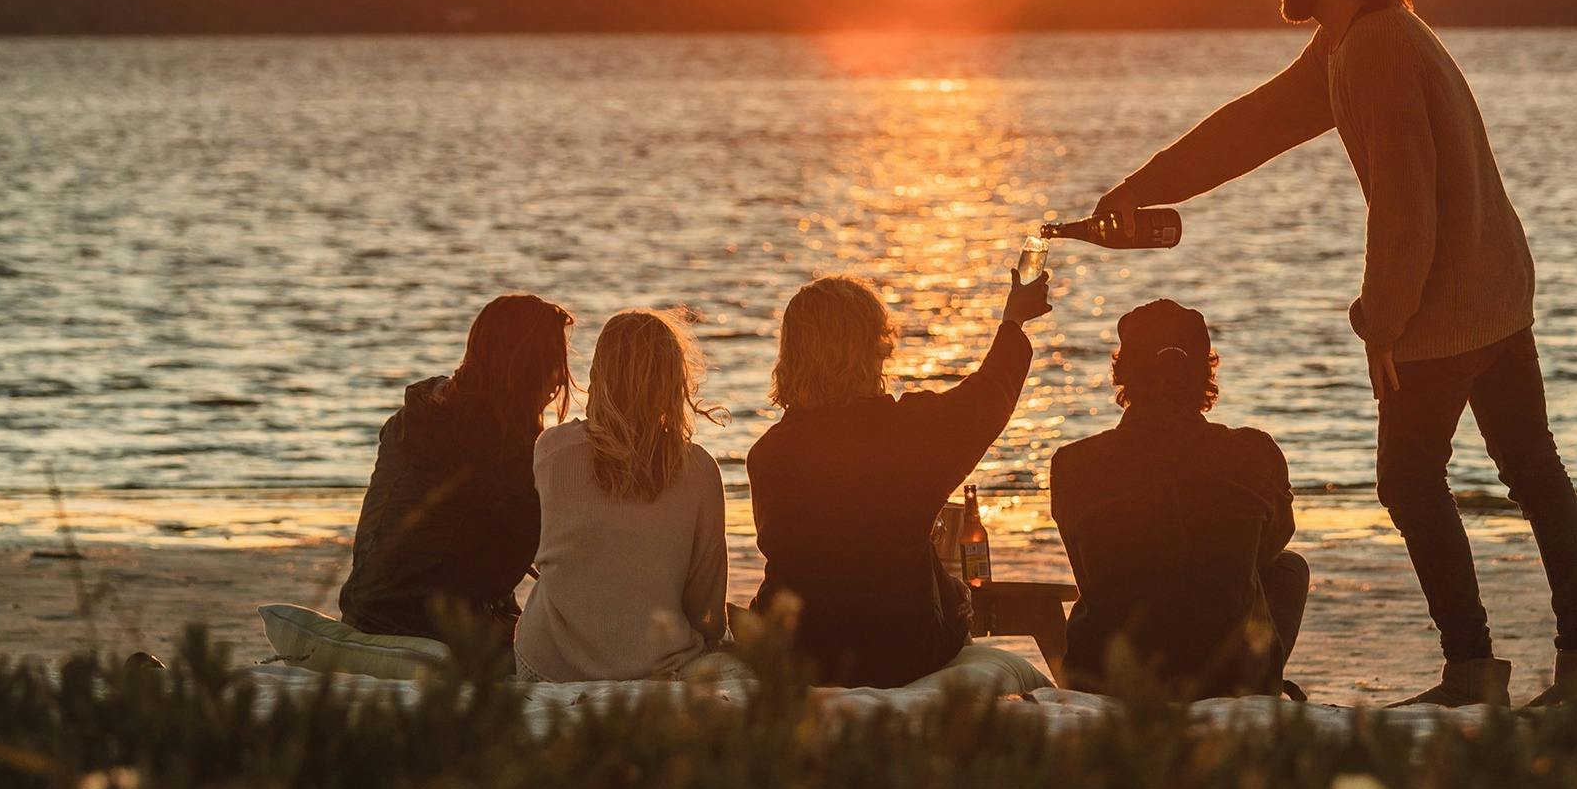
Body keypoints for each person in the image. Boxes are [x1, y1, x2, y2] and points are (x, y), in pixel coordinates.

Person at [1091, 0, 1577, 708]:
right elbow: (1248, 129)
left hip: (1444, 311)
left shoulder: (1375, 52)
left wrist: (1382, 322)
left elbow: (1406, 205)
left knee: (1410, 482)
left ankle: (1473, 671)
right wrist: (1141, 188)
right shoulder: (1354, 42)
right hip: (1498, 291)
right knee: (1532, 469)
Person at [747, 264, 1052, 688]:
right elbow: (989, 395)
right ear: (874, 350)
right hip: (903, 650)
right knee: (953, 594)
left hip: (801, 651)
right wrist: (1013, 322)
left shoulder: (768, 454)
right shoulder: (910, 433)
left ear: (792, 355)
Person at [1050, 298, 1309, 699]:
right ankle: (1257, 685)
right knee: (1287, 569)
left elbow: (1088, 572)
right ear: (1205, 373)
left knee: (1114, 581)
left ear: (1123, 373)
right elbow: (1272, 542)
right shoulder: (1253, 453)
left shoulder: (1072, 465)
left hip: (1103, 677)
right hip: (1228, 679)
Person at [338, 292, 573, 649]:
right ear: (526, 368)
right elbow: (552, 537)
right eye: (553, 364)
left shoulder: (420, 417)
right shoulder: (493, 440)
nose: (558, 382)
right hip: (424, 622)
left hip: (366, 608)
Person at [515, 309, 733, 682]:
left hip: (547, 665)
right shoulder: (699, 469)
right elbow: (706, 609)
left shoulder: (551, 450)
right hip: (658, 668)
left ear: (599, 375)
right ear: (673, 381)